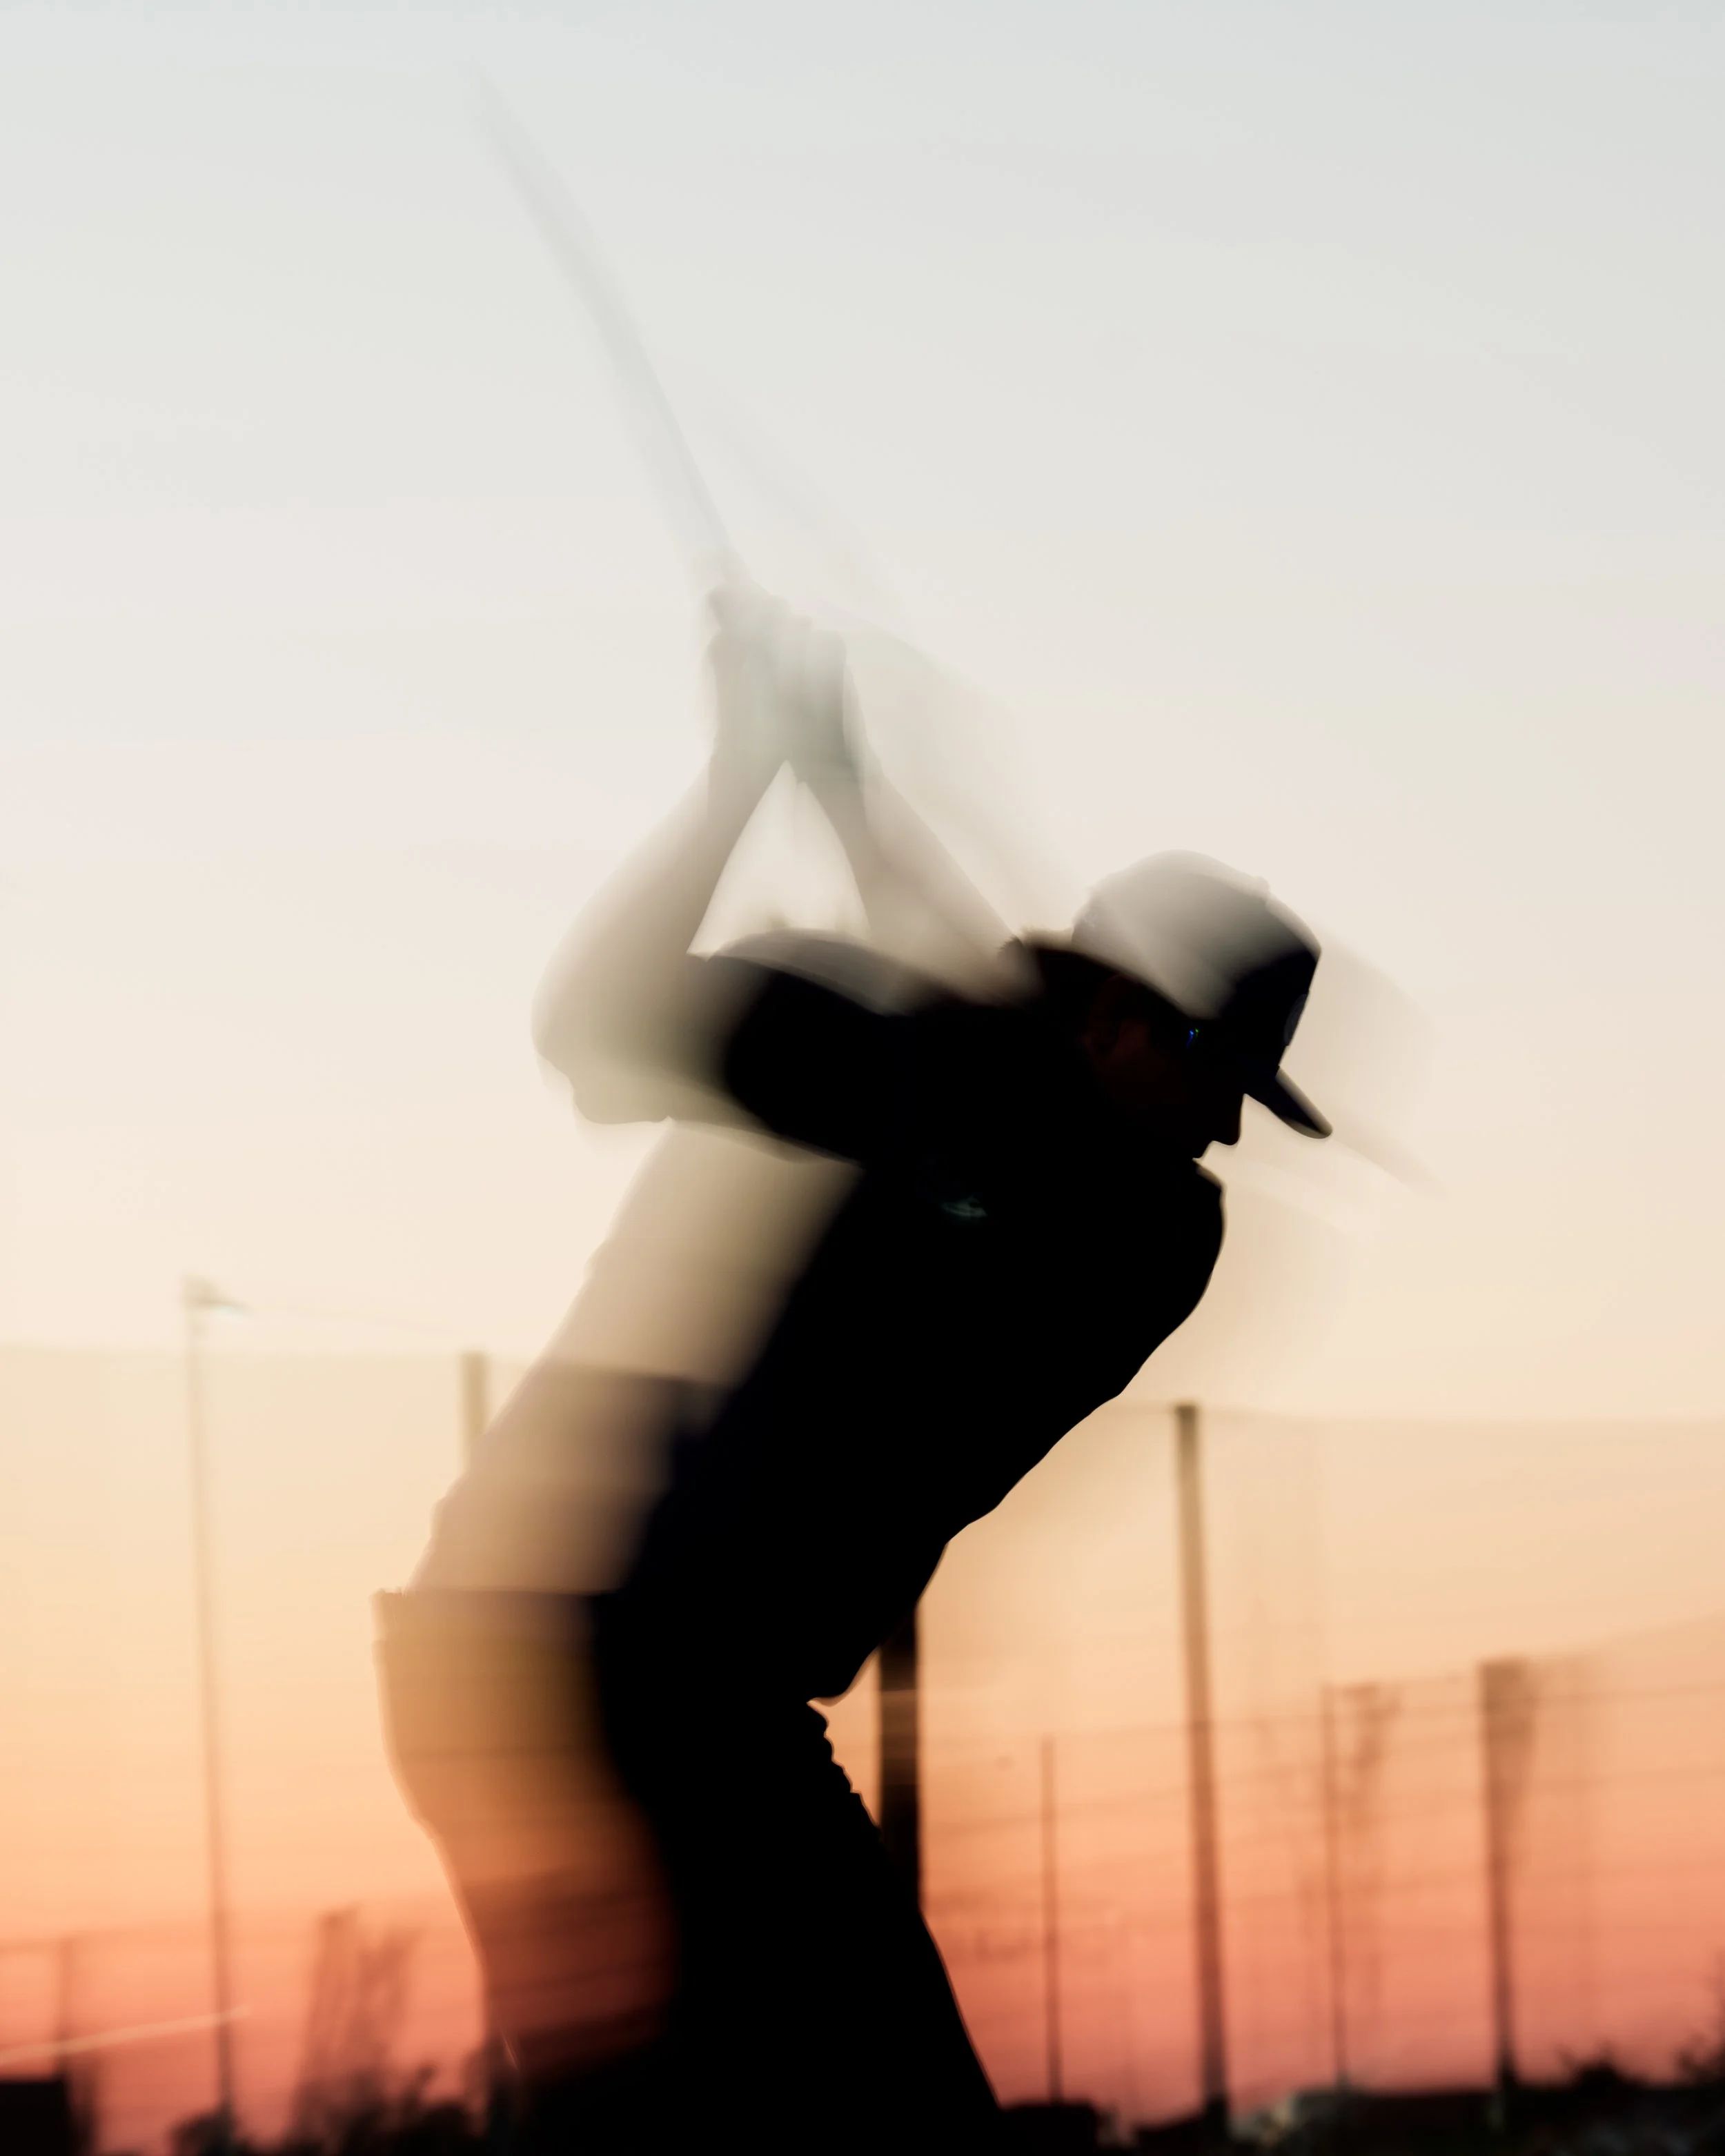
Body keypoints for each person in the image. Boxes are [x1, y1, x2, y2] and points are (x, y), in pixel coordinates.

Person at [383, 585, 1329, 2153]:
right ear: (1106, 1016)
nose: (1226, 1119)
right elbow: (593, 1023)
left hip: (702, 1692)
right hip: (552, 1652)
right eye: (1208, 1065)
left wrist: (850, 807)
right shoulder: (917, 1053)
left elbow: (1008, 1120)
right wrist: (742, 784)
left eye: (1244, 1084)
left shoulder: (1152, 1234)